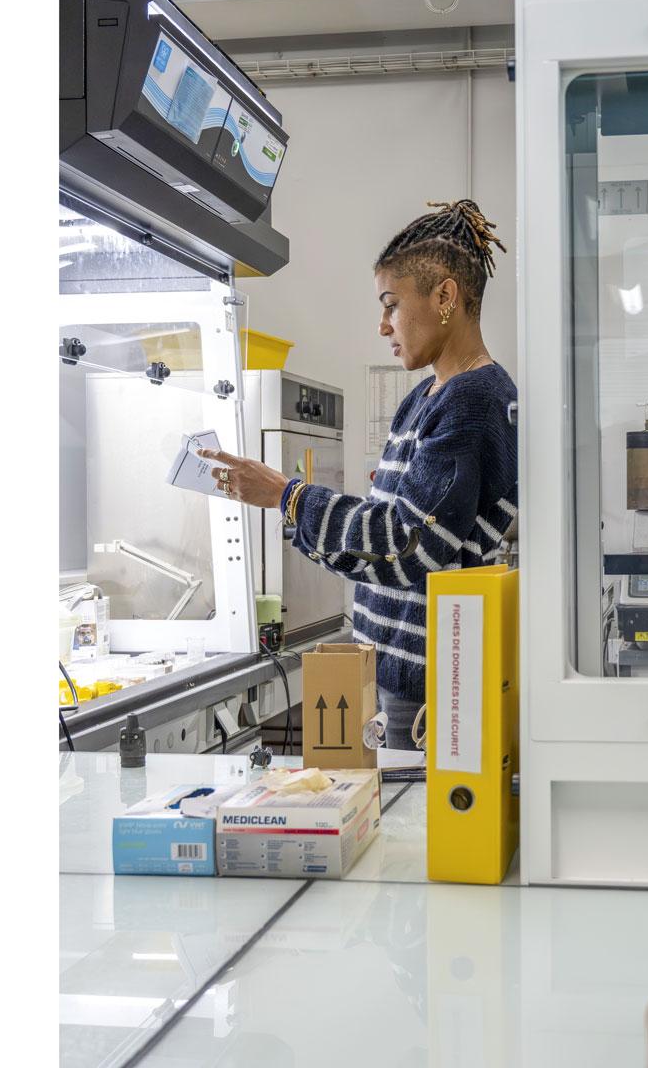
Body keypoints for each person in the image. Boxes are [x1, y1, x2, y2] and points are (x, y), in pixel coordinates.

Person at [199, 199, 518, 750]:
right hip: (393, 673)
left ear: (445, 296)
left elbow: (403, 546)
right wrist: (293, 503)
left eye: (392, 305)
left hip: (429, 692)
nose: (382, 325)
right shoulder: (427, 396)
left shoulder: (474, 401)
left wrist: (287, 497)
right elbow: (385, 535)